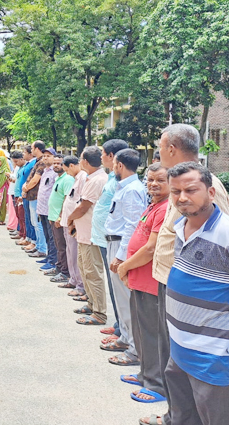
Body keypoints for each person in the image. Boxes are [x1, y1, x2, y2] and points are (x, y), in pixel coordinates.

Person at [142, 124, 229, 425]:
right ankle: (176, 417)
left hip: (194, 292)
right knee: (174, 361)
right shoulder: (179, 182)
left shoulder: (203, 184)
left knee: (192, 366)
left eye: (160, 146)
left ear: (170, 148)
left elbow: (218, 241)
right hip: (173, 285)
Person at [163, 162, 229, 425]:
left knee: (218, 419)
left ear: (211, 192)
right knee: (184, 416)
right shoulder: (181, 227)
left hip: (213, 351)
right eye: (176, 191)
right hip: (180, 345)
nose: (182, 197)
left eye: (191, 190)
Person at [116, 163, 169, 404]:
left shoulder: (166, 208)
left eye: (160, 180)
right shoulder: (153, 205)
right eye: (150, 180)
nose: (153, 184)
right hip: (139, 280)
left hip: (150, 281)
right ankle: (145, 374)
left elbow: (150, 248)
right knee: (141, 331)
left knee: (152, 334)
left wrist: (125, 265)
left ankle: (157, 385)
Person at [101, 148, 148, 367]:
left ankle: (134, 349)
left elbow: (133, 225)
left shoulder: (132, 190)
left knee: (127, 300)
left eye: (114, 164)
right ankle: (126, 339)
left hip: (121, 245)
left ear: (119, 165)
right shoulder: (127, 187)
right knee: (121, 300)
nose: (111, 167)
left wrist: (121, 257)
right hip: (115, 242)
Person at [91, 139, 129, 339]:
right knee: (114, 287)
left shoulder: (124, 184)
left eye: (103, 153)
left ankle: (123, 330)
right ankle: (118, 324)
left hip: (116, 241)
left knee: (119, 289)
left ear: (112, 156)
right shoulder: (113, 179)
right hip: (105, 238)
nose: (101, 157)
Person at [67, 146, 108, 326]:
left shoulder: (97, 180)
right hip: (84, 233)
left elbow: (83, 207)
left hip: (92, 234)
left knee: (93, 273)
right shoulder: (93, 178)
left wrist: (69, 219)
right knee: (85, 270)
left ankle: (99, 313)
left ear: (84, 161)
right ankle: (91, 304)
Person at [58, 156, 87, 294]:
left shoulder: (82, 177)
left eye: (67, 170)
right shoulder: (76, 178)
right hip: (67, 221)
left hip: (73, 223)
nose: (67, 173)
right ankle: (73, 280)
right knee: (70, 252)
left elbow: (80, 203)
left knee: (75, 254)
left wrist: (73, 221)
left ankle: (80, 285)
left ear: (72, 166)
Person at [47, 155, 75, 283]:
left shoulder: (67, 179)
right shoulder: (58, 178)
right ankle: (59, 267)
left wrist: (60, 217)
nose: (56, 165)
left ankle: (65, 272)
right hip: (53, 217)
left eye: (59, 163)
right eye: (55, 163)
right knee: (58, 245)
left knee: (63, 246)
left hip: (60, 218)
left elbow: (67, 199)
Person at [22, 141, 47, 257]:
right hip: (32, 196)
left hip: (36, 196)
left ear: (37, 148)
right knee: (34, 222)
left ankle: (42, 248)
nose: (31, 150)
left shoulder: (42, 162)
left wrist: (26, 188)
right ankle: (38, 245)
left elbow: (36, 179)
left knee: (38, 224)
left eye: (32, 148)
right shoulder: (37, 161)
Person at [36, 148, 58, 267]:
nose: (45, 158)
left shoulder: (55, 173)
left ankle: (53, 261)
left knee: (52, 237)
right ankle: (49, 257)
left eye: (48, 156)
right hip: (42, 209)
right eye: (44, 156)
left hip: (50, 210)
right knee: (47, 235)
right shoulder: (45, 171)